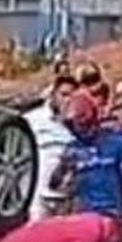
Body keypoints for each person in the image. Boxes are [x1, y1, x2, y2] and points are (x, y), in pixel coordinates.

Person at [49, 89, 122, 217]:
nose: (81, 130)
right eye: (74, 126)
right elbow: (54, 185)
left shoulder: (118, 142)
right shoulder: (71, 150)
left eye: (85, 125)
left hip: (115, 214)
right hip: (85, 218)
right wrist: (64, 168)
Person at [25, 75, 78, 220]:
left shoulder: (79, 125)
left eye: (72, 96)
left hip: (68, 199)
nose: (67, 100)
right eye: (64, 95)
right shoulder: (34, 119)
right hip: (39, 198)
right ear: (53, 95)